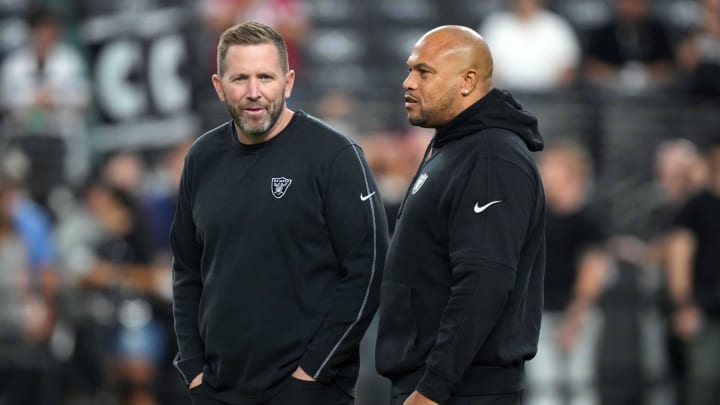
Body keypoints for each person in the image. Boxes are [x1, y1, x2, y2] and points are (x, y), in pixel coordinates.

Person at [171, 22, 388, 405]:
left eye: (265, 77)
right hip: (218, 392)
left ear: (288, 82)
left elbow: (368, 271)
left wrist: (312, 375)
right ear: (219, 86)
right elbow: (187, 271)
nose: (254, 93)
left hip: (308, 393)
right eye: (240, 79)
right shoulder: (201, 159)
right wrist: (193, 371)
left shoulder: (334, 156)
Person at [375, 25, 546, 405]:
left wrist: (432, 389)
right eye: (409, 69)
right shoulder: (454, 147)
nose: (407, 82)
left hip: (460, 390)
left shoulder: (491, 158)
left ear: (467, 81)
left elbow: (484, 281)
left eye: (424, 72)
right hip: (435, 383)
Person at [526, 140, 610, 405]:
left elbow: (593, 272)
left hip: (575, 313)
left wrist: (576, 315)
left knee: (579, 384)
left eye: (550, 166)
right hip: (540, 314)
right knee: (542, 389)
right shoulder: (538, 213)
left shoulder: (589, 219)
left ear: (569, 172)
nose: (543, 171)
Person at [667, 137, 720, 405]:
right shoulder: (697, 206)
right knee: (703, 382)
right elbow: (679, 256)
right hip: (704, 309)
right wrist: (684, 304)